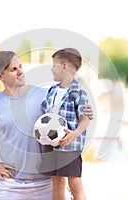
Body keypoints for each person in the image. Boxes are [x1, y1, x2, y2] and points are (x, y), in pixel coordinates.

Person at [0, 50, 94, 200]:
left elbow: (73, 110)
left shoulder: (47, 96)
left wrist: (86, 112)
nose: (20, 72)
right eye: (13, 69)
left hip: (46, 185)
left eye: (20, 66)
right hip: (8, 185)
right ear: (0, 76)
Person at [40, 48, 89, 200]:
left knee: (74, 182)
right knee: (57, 181)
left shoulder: (78, 93)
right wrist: (40, 132)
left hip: (69, 145)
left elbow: (85, 119)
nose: (52, 69)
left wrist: (74, 134)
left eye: (54, 65)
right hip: (51, 144)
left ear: (65, 66)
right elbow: (44, 116)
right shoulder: (52, 91)